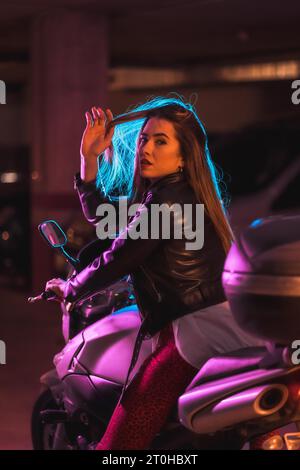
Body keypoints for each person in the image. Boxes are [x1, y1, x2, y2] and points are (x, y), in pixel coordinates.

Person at [45, 95, 263, 450]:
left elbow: (118, 257)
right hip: (209, 323)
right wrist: (88, 158)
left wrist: (70, 289)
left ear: (183, 155)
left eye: (161, 141)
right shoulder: (176, 196)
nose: (146, 147)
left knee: (121, 443)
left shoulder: (168, 201)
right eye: (145, 139)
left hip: (194, 332)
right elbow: (108, 223)